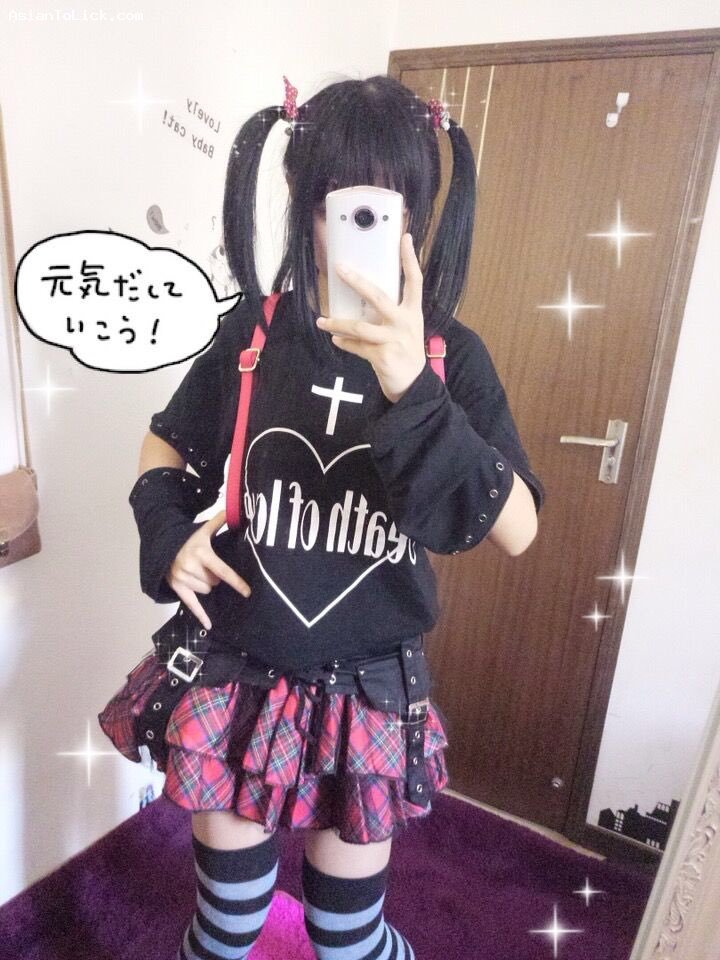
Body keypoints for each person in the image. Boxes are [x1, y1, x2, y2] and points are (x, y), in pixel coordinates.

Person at [98, 73, 545, 960]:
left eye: (385, 204)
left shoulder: (453, 355)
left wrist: (412, 387)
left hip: (369, 687)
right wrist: (170, 535)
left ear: (418, 212)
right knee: (227, 927)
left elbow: (518, 526)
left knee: (348, 937)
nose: (358, 226)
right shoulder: (252, 332)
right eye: (338, 202)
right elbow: (165, 446)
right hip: (240, 670)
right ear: (306, 206)